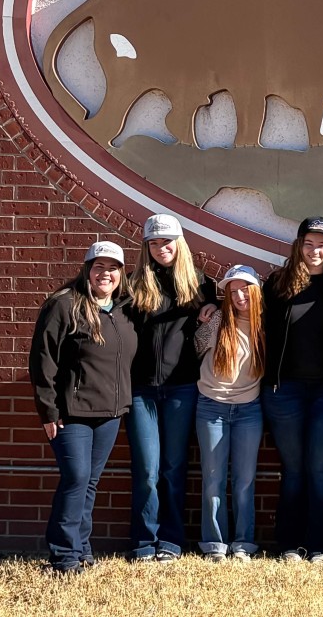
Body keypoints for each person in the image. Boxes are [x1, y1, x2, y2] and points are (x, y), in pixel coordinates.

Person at [28, 241, 137, 575]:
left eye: (113, 268)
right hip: (70, 414)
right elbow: (42, 361)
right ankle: (63, 557)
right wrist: (48, 412)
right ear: (87, 269)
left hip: (110, 412)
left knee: (89, 482)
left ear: (121, 273)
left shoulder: (125, 309)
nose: (106, 274)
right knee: (76, 478)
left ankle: (82, 550)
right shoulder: (64, 305)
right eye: (99, 267)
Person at [262, 216, 323, 562]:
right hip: (285, 391)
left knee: (320, 469)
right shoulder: (277, 285)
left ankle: (322, 545)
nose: (315, 250)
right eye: (309, 243)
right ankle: (289, 544)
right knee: (292, 469)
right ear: (298, 245)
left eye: (322, 244)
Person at [124, 213, 215, 562]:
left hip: (182, 389)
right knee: (147, 469)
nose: (163, 248)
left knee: (175, 466)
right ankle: (145, 542)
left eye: (168, 241)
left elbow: (211, 330)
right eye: (155, 242)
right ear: (147, 247)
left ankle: (172, 541)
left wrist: (213, 308)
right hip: (141, 390)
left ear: (180, 244)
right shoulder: (132, 287)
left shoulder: (200, 285)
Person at [193, 265, 266, 562]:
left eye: (244, 288)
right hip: (212, 406)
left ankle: (243, 544)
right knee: (213, 478)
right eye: (232, 290)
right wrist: (203, 316)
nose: (238, 295)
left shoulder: (265, 324)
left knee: (245, 479)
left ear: (256, 291)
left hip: (250, 408)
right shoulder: (218, 320)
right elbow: (196, 349)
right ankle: (214, 545)